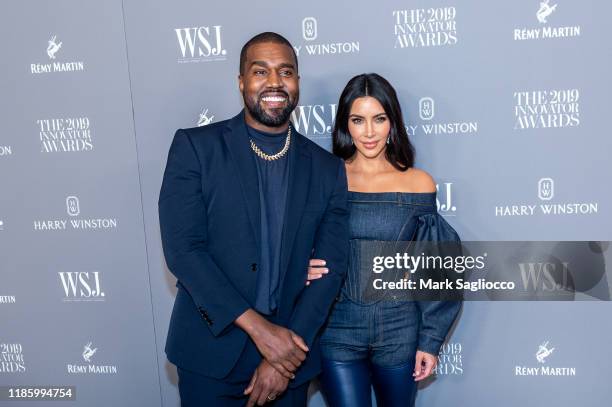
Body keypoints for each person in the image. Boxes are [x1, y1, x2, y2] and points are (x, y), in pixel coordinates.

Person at [158, 32, 349, 406]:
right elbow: (184, 251)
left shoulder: (327, 169)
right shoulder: (196, 148)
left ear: (297, 82)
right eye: (260, 71)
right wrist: (263, 333)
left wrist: (282, 358)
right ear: (241, 81)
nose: (275, 83)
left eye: (286, 72)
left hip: (291, 360)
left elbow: (332, 268)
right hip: (210, 356)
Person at [307, 73, 461, 407]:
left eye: (379, 119)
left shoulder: (418, 183)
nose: (369, 132)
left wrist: (430, 340)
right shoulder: (325, 177)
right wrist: (299, 268)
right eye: (358, 120)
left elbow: (438, 267)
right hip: (336, 329)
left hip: (399, 330)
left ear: (392, 121)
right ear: (345, 125)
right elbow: (294, 239)